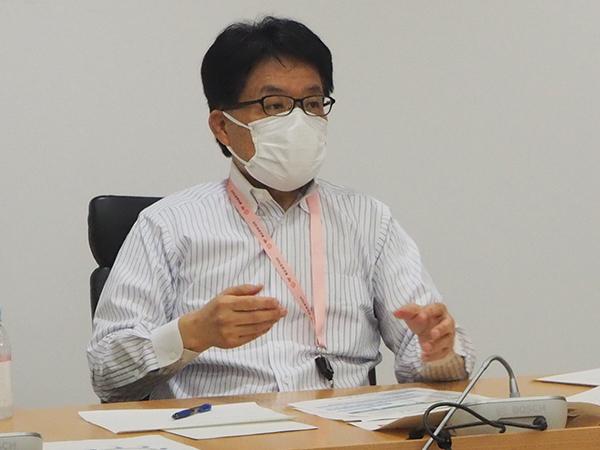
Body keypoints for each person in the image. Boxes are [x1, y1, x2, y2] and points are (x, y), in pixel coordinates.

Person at [87, 16, 475, 402]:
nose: (298, 121)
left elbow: (425, 352)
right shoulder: (168, 224)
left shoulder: (369, 221)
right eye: (273, 105)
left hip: (345, 429)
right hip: (221, 430)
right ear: (222, 126)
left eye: (312, 104)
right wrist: (192, 334)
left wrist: (439, 354)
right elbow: (107, 373)